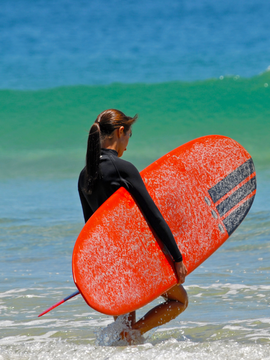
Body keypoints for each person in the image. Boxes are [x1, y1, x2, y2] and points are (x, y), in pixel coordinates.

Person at [78, 109, 188, 344]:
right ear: (120, 132)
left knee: (123, 327)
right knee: (179, 301)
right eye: (129, 136)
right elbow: (154, 216)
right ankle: (134, 332)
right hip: (139, 258)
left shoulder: (84, 175)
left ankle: (127, 337)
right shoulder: (123, 168)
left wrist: (99, 272)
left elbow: (91, 229)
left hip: (114, 263)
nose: (127, 144)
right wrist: (177, 259)